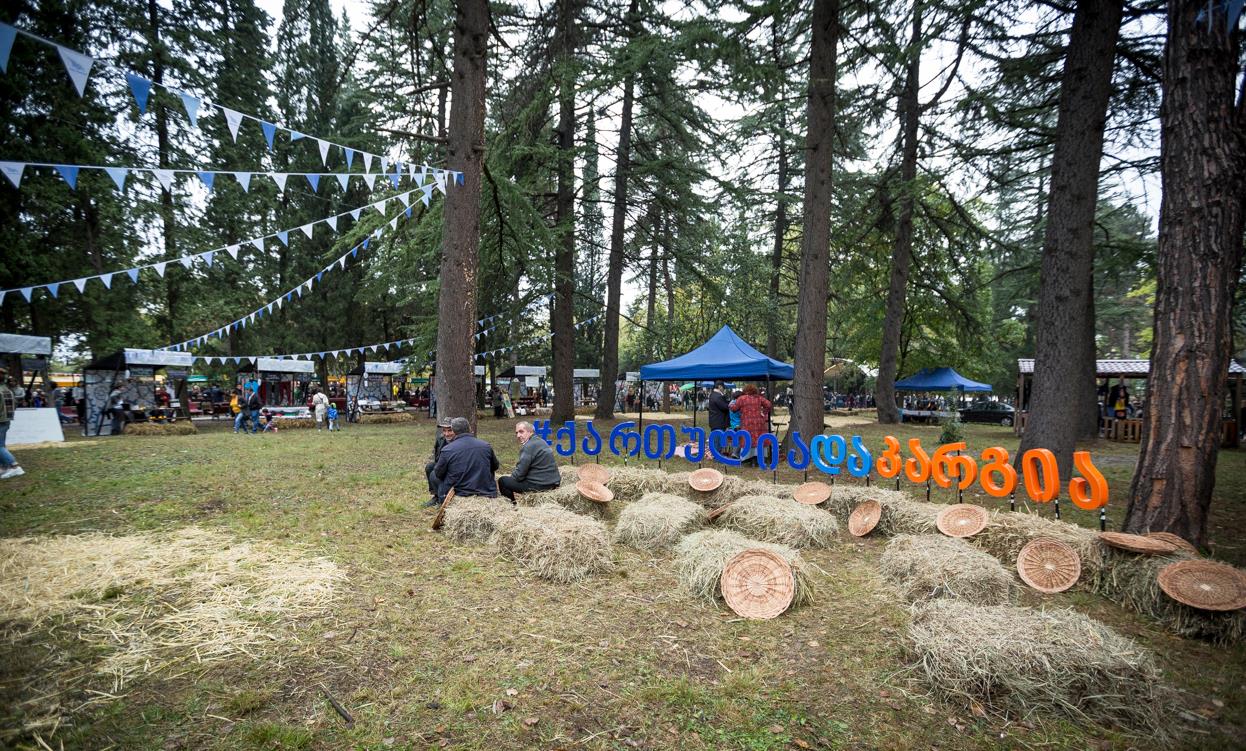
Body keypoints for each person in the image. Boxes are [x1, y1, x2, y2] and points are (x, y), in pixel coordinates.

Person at [429, 417, 499, 507]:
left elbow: (438, 474)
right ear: (469, 428)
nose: (446, 434)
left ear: (454, 431)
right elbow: (495, 466)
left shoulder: (447, 450)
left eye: (449, 430)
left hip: (460, 493)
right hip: (486, 491)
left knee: (433, 474)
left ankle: (440, 499)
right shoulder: (486, 445)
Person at [498, 421, 561, 502]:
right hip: (553, 482)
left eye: (521, 432)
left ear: (530, 432)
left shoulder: (529, 446)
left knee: (503, 481)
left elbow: (519, 474)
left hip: (542, 485)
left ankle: (512, 505)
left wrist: (511, 479)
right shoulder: (541, 441)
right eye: (517, 433)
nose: (518, 435)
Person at [731, 384, 773, 465]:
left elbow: (734, 409)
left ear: (745, 390)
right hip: (759, 423)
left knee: (747, 439)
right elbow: (769, 405)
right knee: (758, 439)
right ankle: (758, 458)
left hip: (747, 422)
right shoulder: (759, 398)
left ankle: (748, 458)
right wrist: (763, 413)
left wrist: (730, 405)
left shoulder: (742, 398)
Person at [0, 369, 26, 479]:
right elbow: (14, 405)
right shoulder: (8, 390)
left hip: (1, 421)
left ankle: (15, 467)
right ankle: (5, 467)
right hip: (6, 420)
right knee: (1, 445)